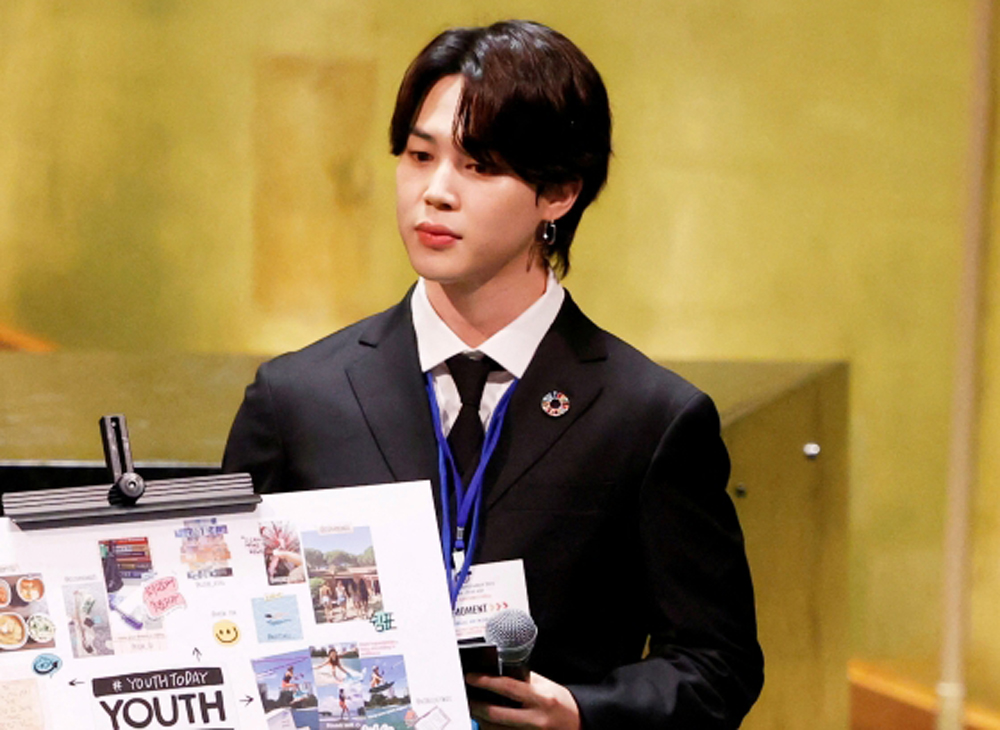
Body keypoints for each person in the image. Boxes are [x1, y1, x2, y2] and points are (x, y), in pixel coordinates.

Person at [224, 19, 763, 729]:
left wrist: (580, 712)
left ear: (559, 193)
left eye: (479, 167)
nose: (436, 192)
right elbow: (223, 621)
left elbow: (717, 665)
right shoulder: (298, 398)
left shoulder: (650, 419)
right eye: (420, 156)